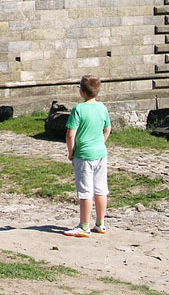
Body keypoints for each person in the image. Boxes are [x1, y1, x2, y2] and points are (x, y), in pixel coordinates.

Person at [63, 75, 112, 237]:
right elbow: (107, 128)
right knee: (100, 189)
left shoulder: (78, 109)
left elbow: (70, 134)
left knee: (85, 190)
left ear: (82, 91)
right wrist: (101, 142)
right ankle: (100, 223)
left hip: (84, 154)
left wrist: (71, 151)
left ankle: (84, 225)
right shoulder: (102, 107)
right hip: (100, 153)